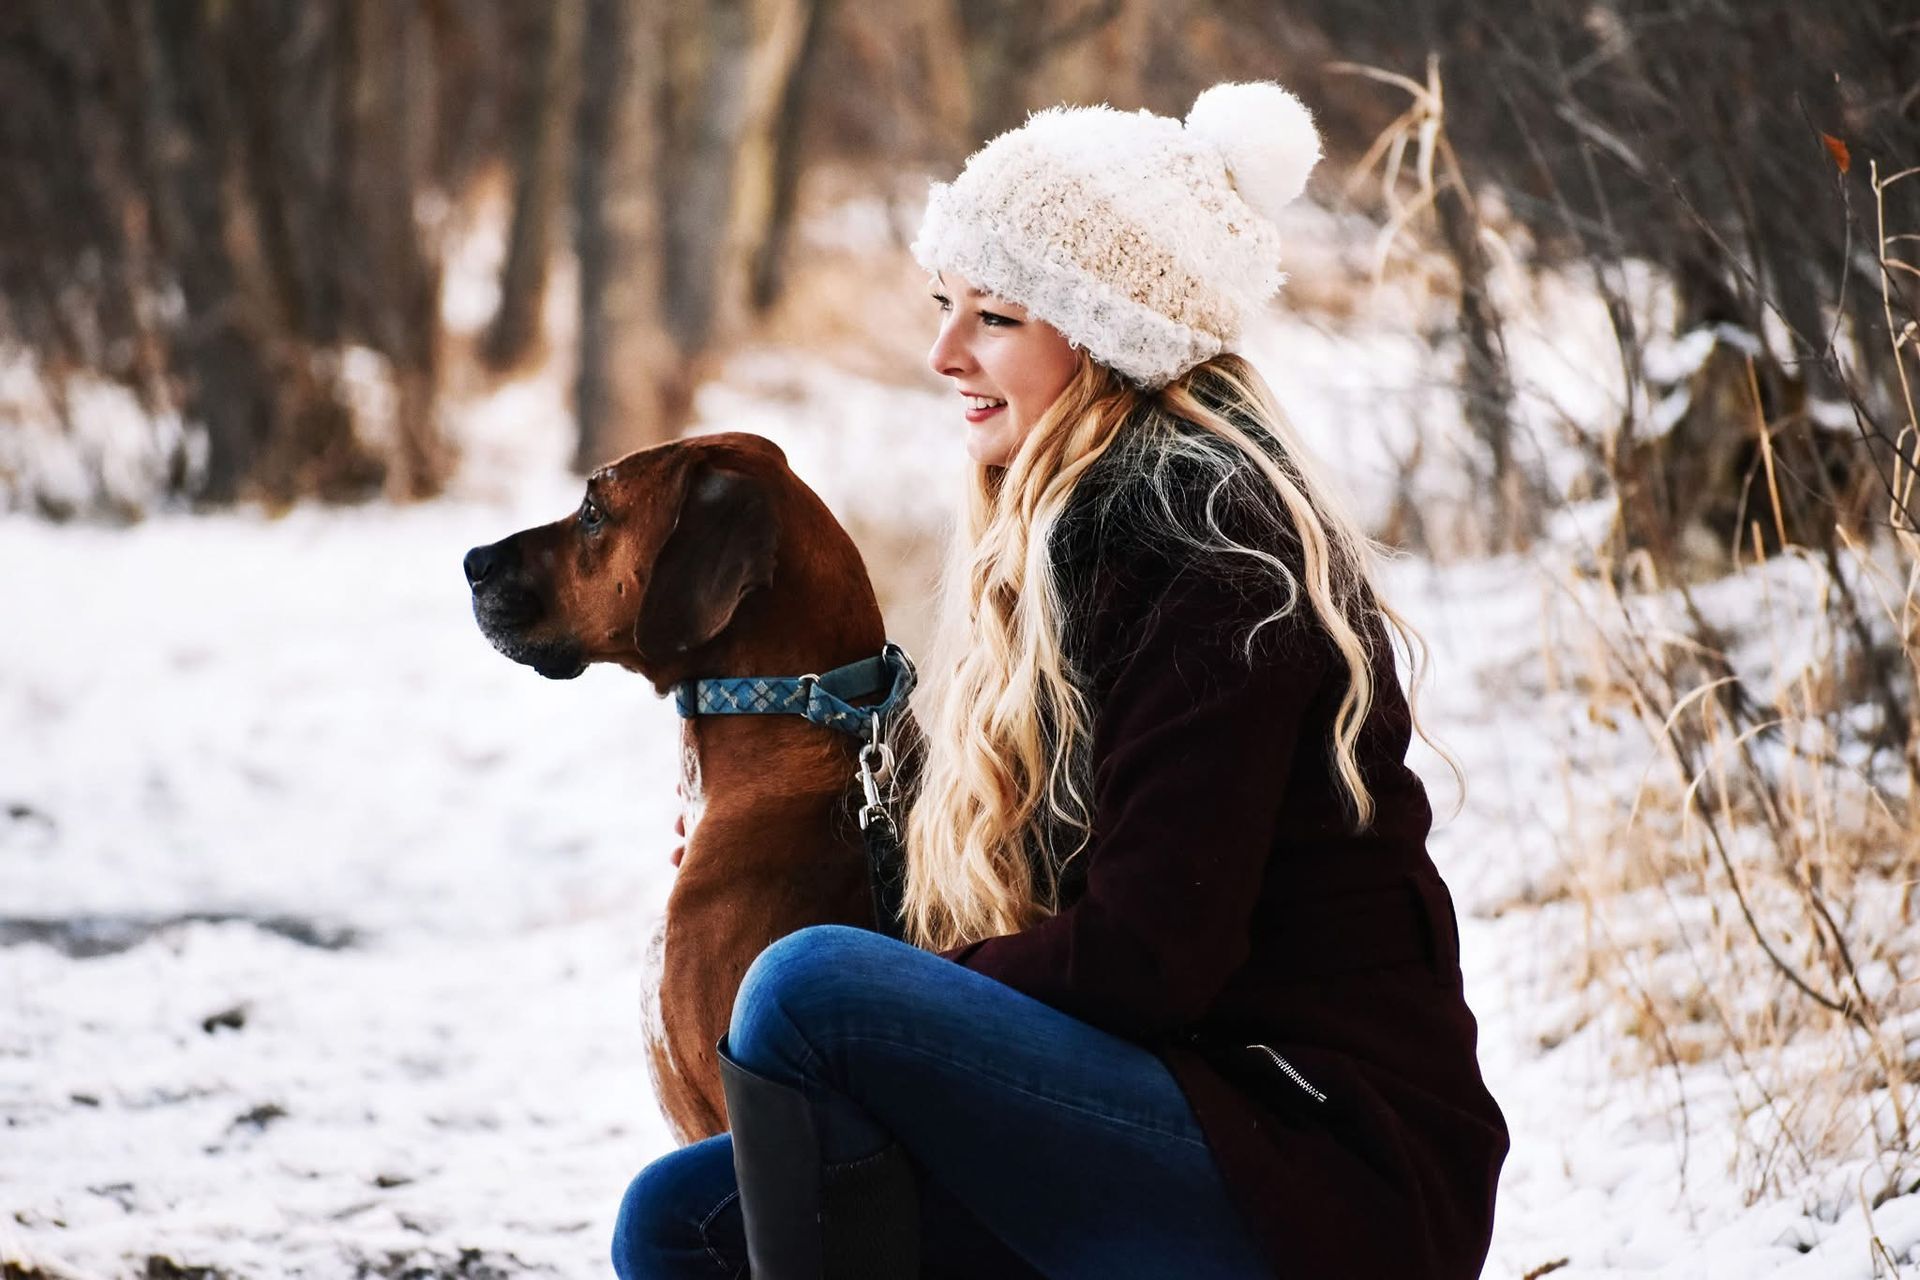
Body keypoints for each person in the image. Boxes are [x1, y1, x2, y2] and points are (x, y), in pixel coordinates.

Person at [613, 81, 1509, 1280]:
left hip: (1318, 1175)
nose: (943, 352)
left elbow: (1146, 956)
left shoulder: (1214, 560)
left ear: (1107, 335)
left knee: (811, 987)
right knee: (676, 1220)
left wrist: (914, 992)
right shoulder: (1079, 543)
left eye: (995, 317)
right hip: (1182, 1117)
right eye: (948, 305)